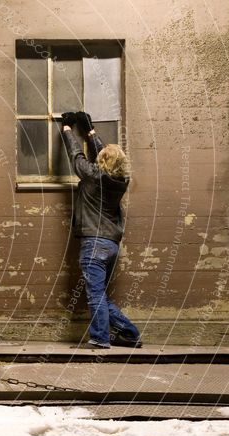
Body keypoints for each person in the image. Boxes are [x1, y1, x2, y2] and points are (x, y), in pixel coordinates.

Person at [60, 111, 142, 349]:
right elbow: (107, 157)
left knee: (95, 295)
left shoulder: (93, 176)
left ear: (102, 162)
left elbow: (76, 156)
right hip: (111, 245)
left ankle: (100, 339)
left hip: (94, 244)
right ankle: (130, 333)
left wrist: (67, 129)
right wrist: (91, 131)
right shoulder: (122, 180)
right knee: (100, 295)